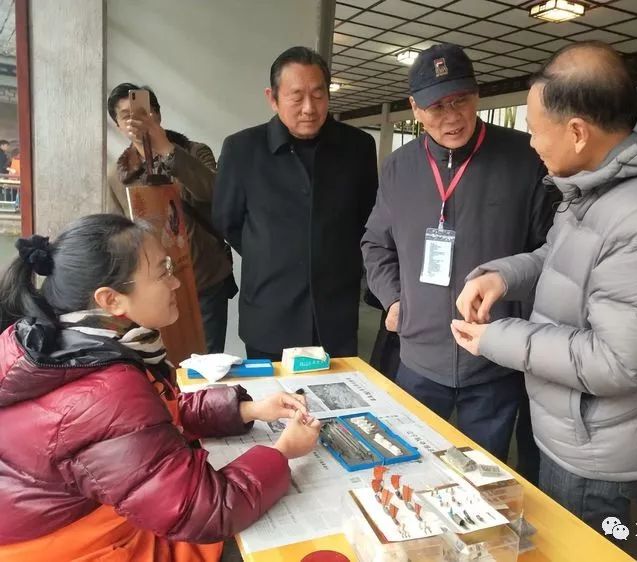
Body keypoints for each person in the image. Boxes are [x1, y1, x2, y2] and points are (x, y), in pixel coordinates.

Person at [451, 41, 637, 537]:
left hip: (599, 453)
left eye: (536, 130)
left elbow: (621, 361)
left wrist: (496, 339)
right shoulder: (605, 180)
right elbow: (560, 257)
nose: (532, 143)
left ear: (578, 132)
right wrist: (502, 275)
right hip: (574, 428)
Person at [0, 214, 321, 562]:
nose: (176, 284)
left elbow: (146, 423)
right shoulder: (102, 388)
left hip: (100, 524)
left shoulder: (67, 346)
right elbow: (204, 510)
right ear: (111, 300)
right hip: (89, 547)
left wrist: (249, 409)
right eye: (162, 272)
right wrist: (282, 452)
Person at [361, 43, 556, 471]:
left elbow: (553, 252)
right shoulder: (398, 168)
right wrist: (394, 300)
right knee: (408, 472)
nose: (451, 117)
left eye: (460, 100)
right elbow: (375, 243)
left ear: (477, 94)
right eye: (436, 106)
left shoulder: (526, 158)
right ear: (414, 107)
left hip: (495, 360)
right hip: (417, 358)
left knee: (483, 479)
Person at [213, 46, 378, 361]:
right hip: (270, 314)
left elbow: (366, 218)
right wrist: (272, 252)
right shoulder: (242, 149)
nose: (308, 108)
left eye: (318, 95)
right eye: (296, 96)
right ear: (272, 98)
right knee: (274, 406)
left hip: (335, 315)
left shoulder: (358, 147)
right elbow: (227, 220)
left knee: (336, 404)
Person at [106, 83, 236, 354]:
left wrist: (165, 147)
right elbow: (117, 234)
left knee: (208, 364)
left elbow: (213, 192)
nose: (136, 120)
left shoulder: (195, 152)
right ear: (118, 125)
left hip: (205, 279)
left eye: (143, 111)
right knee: (164, 361)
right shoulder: (117, 174)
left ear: (157, 114)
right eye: (126, 116)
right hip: (152, 288)